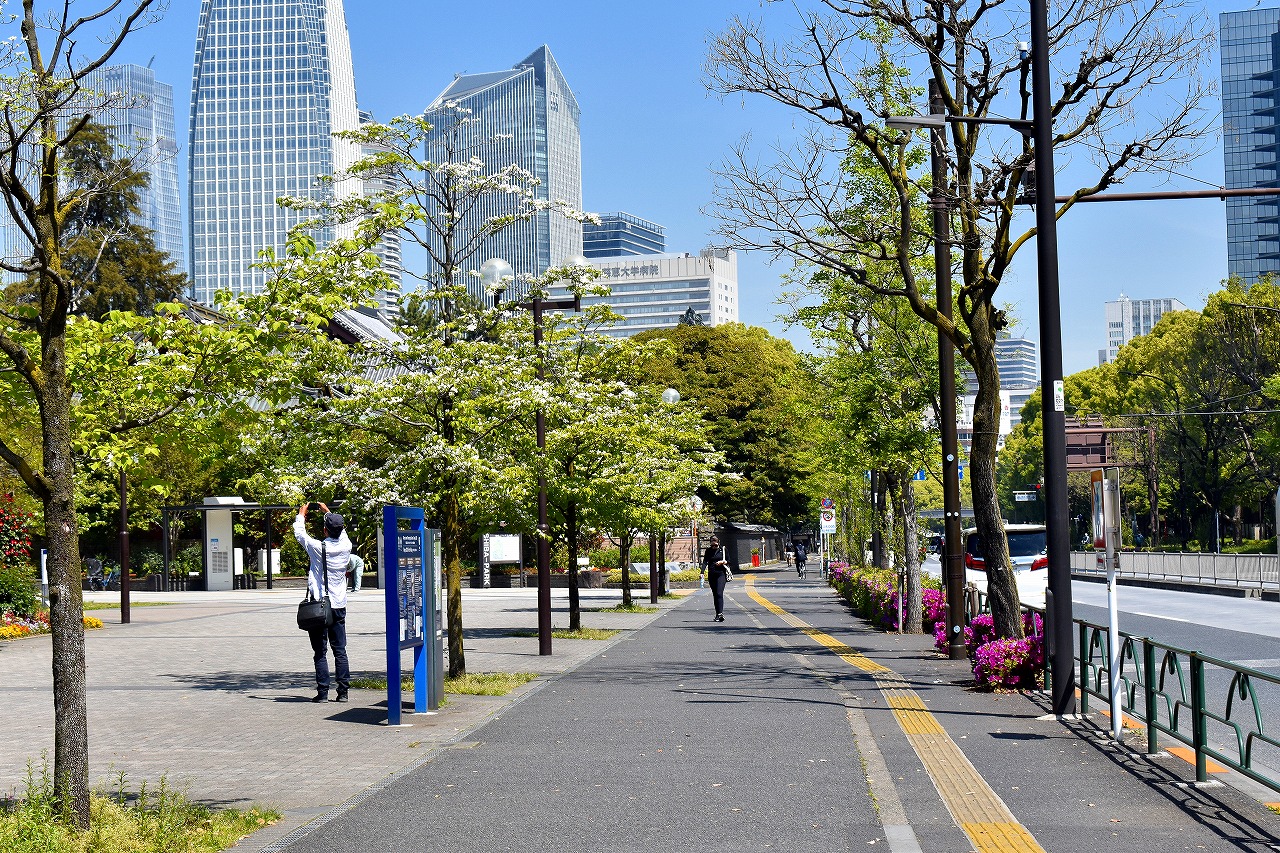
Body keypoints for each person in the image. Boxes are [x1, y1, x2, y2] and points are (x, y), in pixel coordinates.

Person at [294, 502, 351, 703]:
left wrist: (301, 514)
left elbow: (300, 534)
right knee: (340, 651)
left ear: (325, 530)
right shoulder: (346, 546)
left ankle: (323, 692)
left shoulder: (317, 548)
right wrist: (328, 512)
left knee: (320, 652)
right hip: (338, 605)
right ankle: (343, 693)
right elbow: (340, 531)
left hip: (319, 606)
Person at [701, 535, 737, 622]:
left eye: (715, 545)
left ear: (718, 543)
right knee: (715, 594)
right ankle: (717, 614)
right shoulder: (708, 551)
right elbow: (705, 561)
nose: (714, 547)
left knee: (719, 592)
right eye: (712, 545)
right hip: (711, 574)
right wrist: (702, 572)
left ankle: (720, 614)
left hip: (721, 574)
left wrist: (723, 562)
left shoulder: (723, 550)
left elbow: (729, 561)